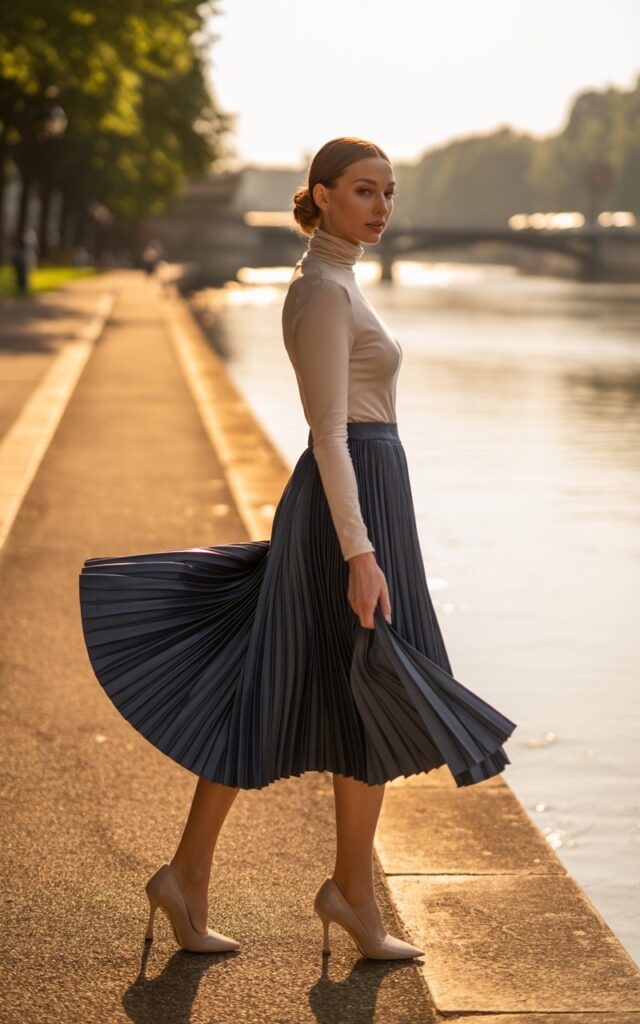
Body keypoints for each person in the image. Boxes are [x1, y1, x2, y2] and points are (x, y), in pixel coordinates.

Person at [78, 137, 517, 959]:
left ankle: (323, 890)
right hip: (349, 506)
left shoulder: (342, 280)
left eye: (390, 192)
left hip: (375, 496)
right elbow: (328, 434)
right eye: (364, 191)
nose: (382, 207)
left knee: (344, 688)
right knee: (318, 682)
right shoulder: (319, 291)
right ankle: (245, 883)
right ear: (320, 195)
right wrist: (360, 552)